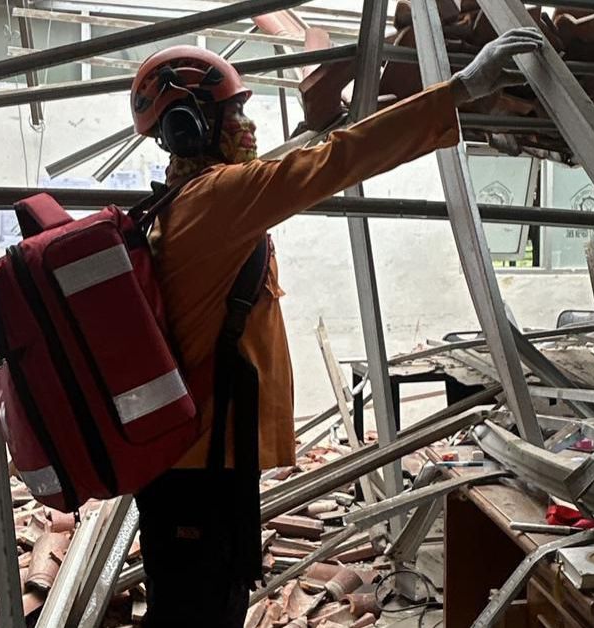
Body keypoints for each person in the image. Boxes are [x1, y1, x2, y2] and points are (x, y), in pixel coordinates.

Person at [129, 26, 545, 627]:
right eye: (235, 112)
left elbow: (289, 163)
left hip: (198, 458)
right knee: (197, 612)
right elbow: (333, 161)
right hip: (199, 468)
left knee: (205, 602)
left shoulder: (184, 199)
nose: (248, 126)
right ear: (190, 127)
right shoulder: (219, 198)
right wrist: (458, 91)